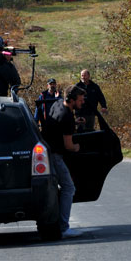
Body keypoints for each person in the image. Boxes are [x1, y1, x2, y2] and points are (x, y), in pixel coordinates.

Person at [44, 85, 86, 239]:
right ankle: (63, 227)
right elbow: (69, 145)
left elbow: (59, 126)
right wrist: (78, 147)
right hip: (55, 156)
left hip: (47, 152)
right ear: (71, 100)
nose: (82, 102)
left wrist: (75, 123)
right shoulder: (67, 117)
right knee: (69, 188)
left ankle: (59, 224)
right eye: (80, 100)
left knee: (58, 188)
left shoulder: (58, 104)